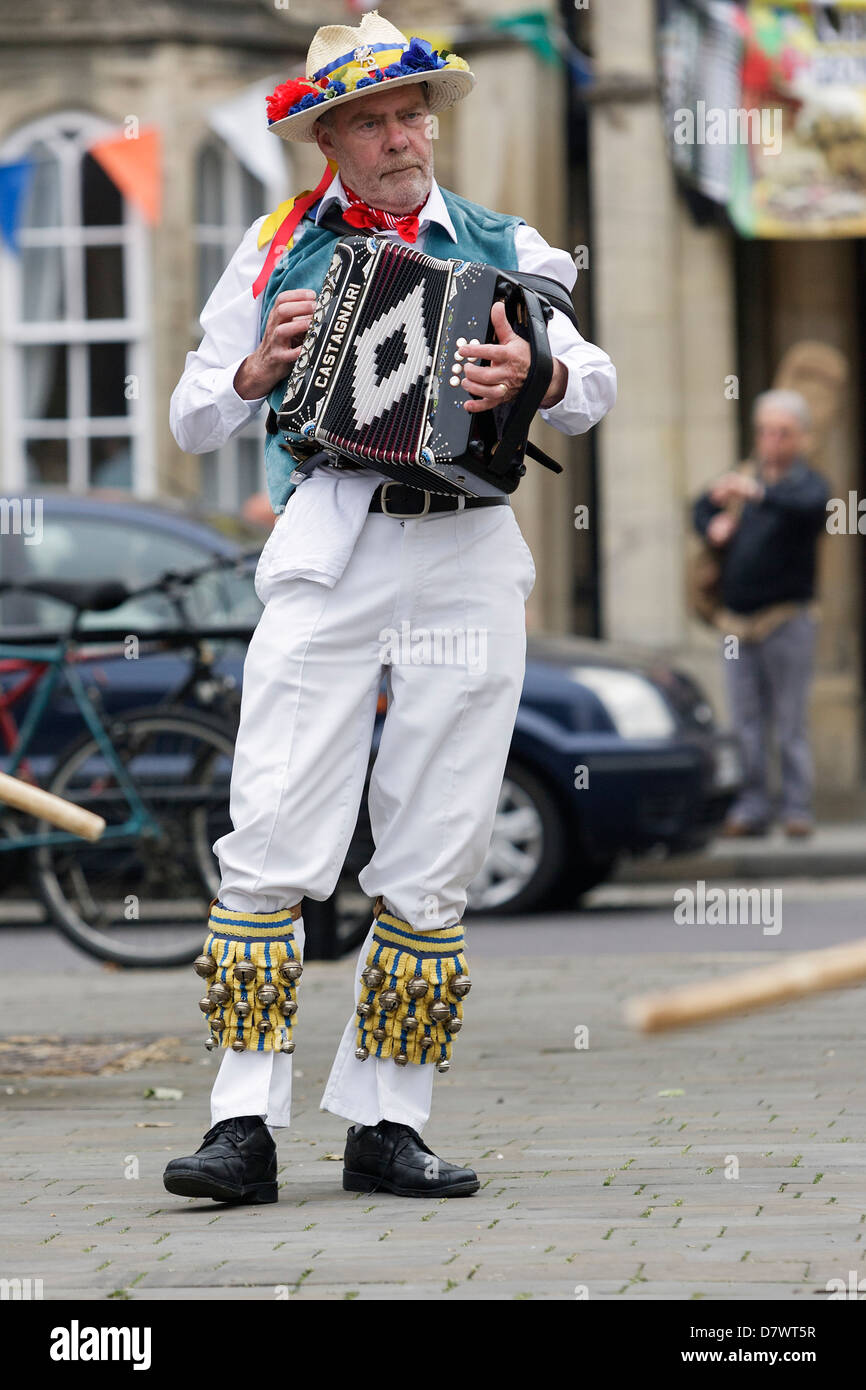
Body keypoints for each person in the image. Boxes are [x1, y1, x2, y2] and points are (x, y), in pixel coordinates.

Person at [165, 11, 616, 1205]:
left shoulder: (500, 244)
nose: (403, 134)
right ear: (331, 141)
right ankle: (240, 1127)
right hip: (332, 543)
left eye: (413, 111)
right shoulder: (274, 247)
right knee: (268, 826)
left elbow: (590, 389)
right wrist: (256, 369)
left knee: (437, 840)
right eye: (372, 119)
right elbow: (193, 412)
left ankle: (385, 1119)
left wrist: (538, 371)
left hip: (465, 550)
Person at [693, 389, 829, 840]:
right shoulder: (742, 478)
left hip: (787, 619)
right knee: (744, 722)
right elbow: (700, 506)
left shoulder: (805, 485)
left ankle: (796, 809)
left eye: (783, 433)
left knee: (789, 721)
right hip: (737, 622)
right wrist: (712, 523)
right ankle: (752, 807)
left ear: (801, 439)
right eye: (766, 432)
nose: (772, 441)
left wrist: (754, 492)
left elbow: (807, 509)